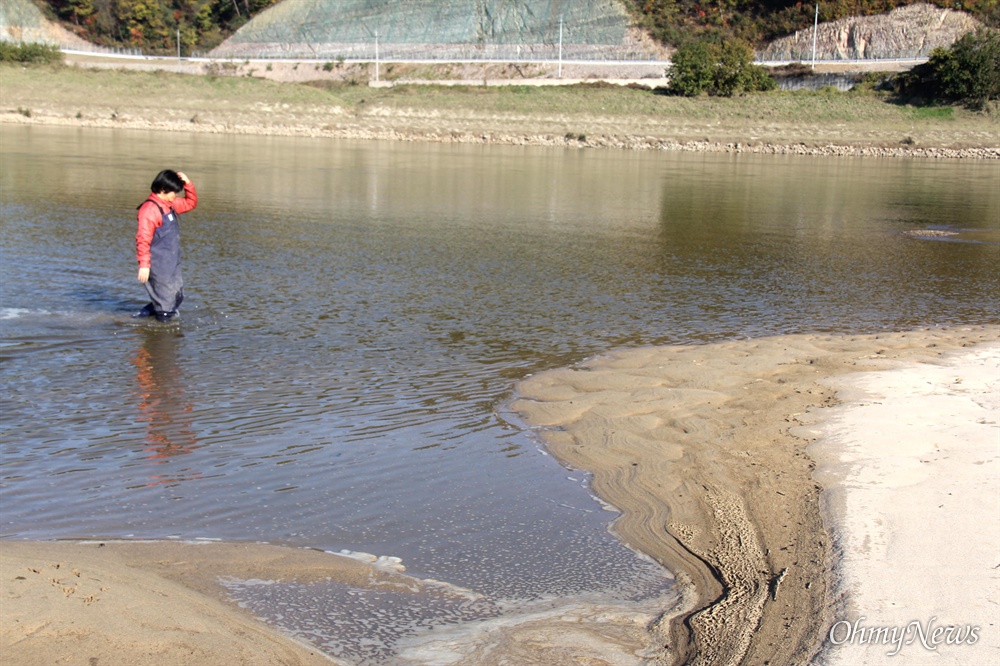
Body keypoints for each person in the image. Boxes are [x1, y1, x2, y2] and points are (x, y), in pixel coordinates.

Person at [134, 170, 198, 321]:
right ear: (163, 190)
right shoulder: (149, 210)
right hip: (158, 264)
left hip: (171, 262)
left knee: (177, 297)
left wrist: (188, 183)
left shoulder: (170, 204)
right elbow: (143, 239)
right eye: (174, 192)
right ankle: (162, 339)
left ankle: (138, 318)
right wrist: (144, 265)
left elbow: (190, 203)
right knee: (166, 308)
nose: (175, 195)